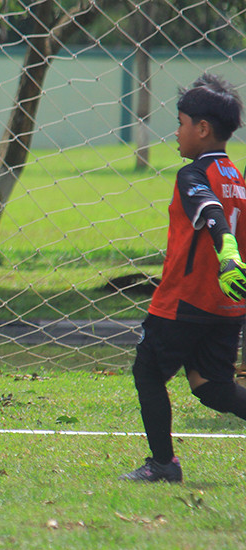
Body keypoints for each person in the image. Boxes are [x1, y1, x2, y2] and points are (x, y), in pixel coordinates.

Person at [122, 74, 246, 482]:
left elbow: (210, 212)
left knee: (148, 372)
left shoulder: (193, 175)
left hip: (185, 300)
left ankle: (162, 464)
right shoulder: (237, 179)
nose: (176, 133)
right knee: (211, 386)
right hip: (227, 305)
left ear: (203, 129)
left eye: (180, 123)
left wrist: (227, 253)